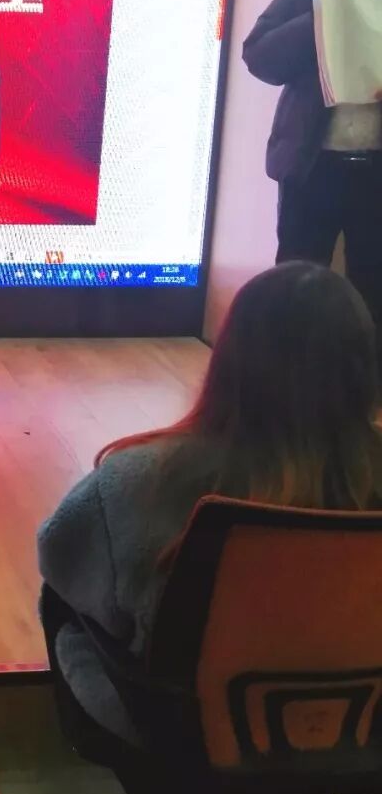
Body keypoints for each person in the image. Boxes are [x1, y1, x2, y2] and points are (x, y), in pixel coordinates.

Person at [37, 261, 382, 747]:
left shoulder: (137, 480)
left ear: (228, 360)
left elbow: (57, 554)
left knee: (64, 603)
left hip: (190, 739)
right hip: (365, 729)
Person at [244, 0, 382, 349]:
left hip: (377, 173)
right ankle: (284, 386)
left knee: (373, 297)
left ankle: (362, 391)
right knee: (295, 291)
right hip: (311, 164)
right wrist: (325, 15)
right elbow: (259, 55)